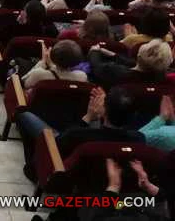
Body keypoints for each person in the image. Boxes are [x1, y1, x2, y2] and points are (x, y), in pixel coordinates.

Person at [16, 87, 144, 181]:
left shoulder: (77, 135)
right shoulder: (138, 139)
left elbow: (55, 145)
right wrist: (109, 106)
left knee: (24, 115)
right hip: (97, 181)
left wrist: (88, 116)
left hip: (62, 177)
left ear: (104, 111)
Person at [89, 38, 172, 89]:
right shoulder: (164, 80)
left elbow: (96, 67)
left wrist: (94, 51)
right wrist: (114, 55)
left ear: (139, 55)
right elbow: (136, 65)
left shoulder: (116, 72)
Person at [21, 39, 87, 88]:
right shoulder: (82, 76)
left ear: (52, 55)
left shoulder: (38, 74)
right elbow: (62, 75)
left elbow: (24, 83)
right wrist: (51, 65)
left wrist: (43, 61)